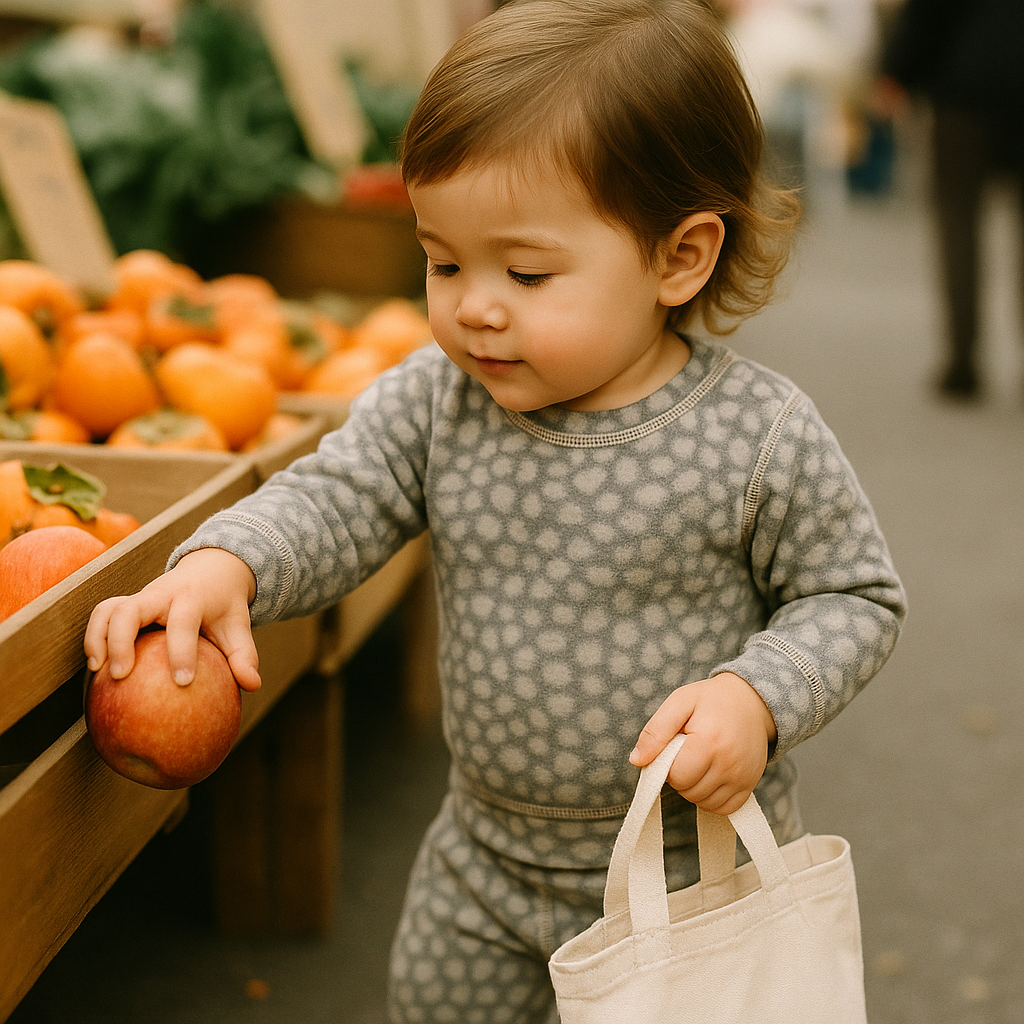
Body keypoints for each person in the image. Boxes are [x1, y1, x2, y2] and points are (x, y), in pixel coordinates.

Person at [85, 2, 907, 1021]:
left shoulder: (756, 435)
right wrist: (229, 564)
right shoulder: (438, 401)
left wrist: (759, 695)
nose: (474, 305)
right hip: (483, 864)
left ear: (678, 257)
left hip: (687, 880)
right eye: (442, 262)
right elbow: (337, 497)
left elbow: (854, 594)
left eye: (525, 272)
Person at [879, 0, 1024, 399]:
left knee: (958, 222)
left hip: (963, 90)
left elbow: (928, 12)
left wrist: (896, 69)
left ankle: (963, 359)